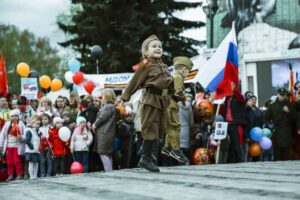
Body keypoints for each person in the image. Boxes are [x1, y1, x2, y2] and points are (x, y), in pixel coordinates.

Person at [115, 35, 174, 172]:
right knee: (150, 129)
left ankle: (150, 157)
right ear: (146, 52)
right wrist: (124, 98)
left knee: (160, 130)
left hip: (162, 101)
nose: (158, 48)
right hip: (151, 100)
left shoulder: (164, 66)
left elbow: (169, 84)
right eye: (154, 46)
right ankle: (145, 158)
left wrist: (177, 96)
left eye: (159, 46)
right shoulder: (145, 65)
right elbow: (134, 82)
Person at [162, 56, 193, 164]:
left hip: (168, 103)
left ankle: (167, 148)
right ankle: (176, 150)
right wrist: (184, 101)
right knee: (175, 127)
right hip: (171, 104)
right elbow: (178, 92)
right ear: (183, 69)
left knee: (171, 127)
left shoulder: (173, 76)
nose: (187, 73)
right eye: (188, 70)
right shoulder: (178, 77)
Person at [264, 88, 296, 161]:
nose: (282, 96)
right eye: (281, 94)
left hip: (287, 131)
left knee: (286, 154)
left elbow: (294, 119)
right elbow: (266, 118)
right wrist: (271, 126)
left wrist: (288, 112)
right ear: (277, 95)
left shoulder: (290, 105)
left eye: (284, 95)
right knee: (277, 154)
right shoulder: (273, 106)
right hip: (277, 131)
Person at [93, 89, 117, 172]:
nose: (101, 97)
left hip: (105, 133)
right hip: (107, 132)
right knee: (106, 153)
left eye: (102, 95)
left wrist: (95, 124)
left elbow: (102, 118)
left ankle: (108, 172)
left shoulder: (108, 106)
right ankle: (109, 171)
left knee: (103, 153)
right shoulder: (109, 106)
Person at [0, 109, 26, 181]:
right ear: (10, 117)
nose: (14, 117)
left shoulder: (21, 124)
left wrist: (22, 137)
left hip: (17, 146)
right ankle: (10, 175)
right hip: (8, 146)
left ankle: (19, 174)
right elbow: (2, 135)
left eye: (16, 116)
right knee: (9, 161)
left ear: (19, 116)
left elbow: (26, 134)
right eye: (13, 116)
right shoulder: (7, 124)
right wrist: (1, 145)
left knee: (17, 161)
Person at [25, 115, 41, 179]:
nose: (38, 125)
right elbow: (27, 140)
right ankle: (31, 176)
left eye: (39, 124)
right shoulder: (29, 131)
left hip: (36, 150)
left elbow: (37, 139)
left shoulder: (36, 131)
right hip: (31, 150)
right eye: (37, 124)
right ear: (32, 123)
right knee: (31, 163)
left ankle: (35, 175)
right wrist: (31, 147)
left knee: (36, 163)